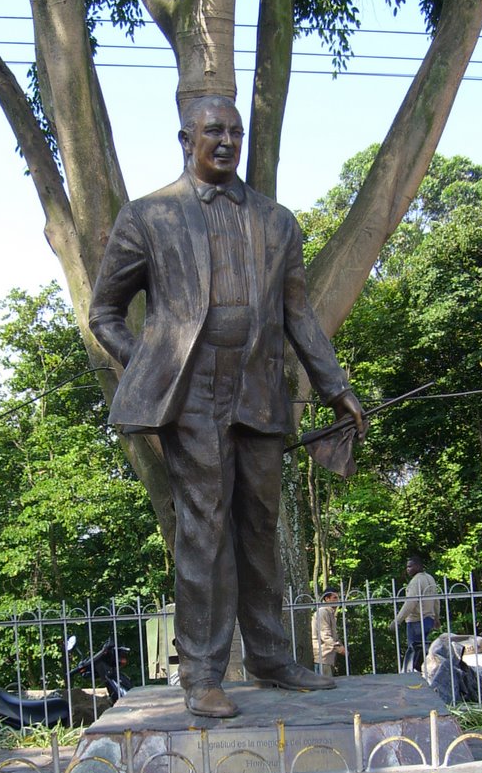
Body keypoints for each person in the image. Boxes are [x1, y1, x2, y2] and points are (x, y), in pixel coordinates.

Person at [89, 95, 366, 718]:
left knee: (260, 526)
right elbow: (104, 313)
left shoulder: (277, 221)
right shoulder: (148, 216)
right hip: (193, 393)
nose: (227, 142)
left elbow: (299, 315)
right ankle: (204, 674)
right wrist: (155, 370)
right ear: (184, 138)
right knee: (204, 530)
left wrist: (335, 385)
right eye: (214, 131)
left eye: (235, 133)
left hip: (260, 387)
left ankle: (271, 657)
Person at [391, 555, 439, 663]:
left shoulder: (415, 582)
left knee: (415, 653)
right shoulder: (430, 578)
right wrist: (436, 617)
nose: (407, 569)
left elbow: (410, 603)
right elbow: (436, 600)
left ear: (417, 566)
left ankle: (416, 675)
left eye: (410, 566)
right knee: (425, 650)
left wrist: (397, 620)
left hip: (416, 621)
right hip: (429, 620)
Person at [311, 587, 346, 676]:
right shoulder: (323, 612)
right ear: (327, 599)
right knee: (325, 685)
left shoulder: (329, 613)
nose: (338, 600)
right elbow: (325, 635)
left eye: (338, 597)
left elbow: (333, 635)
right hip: (322, 656)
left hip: (327, 656)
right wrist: (339, 648)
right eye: (335, 598)